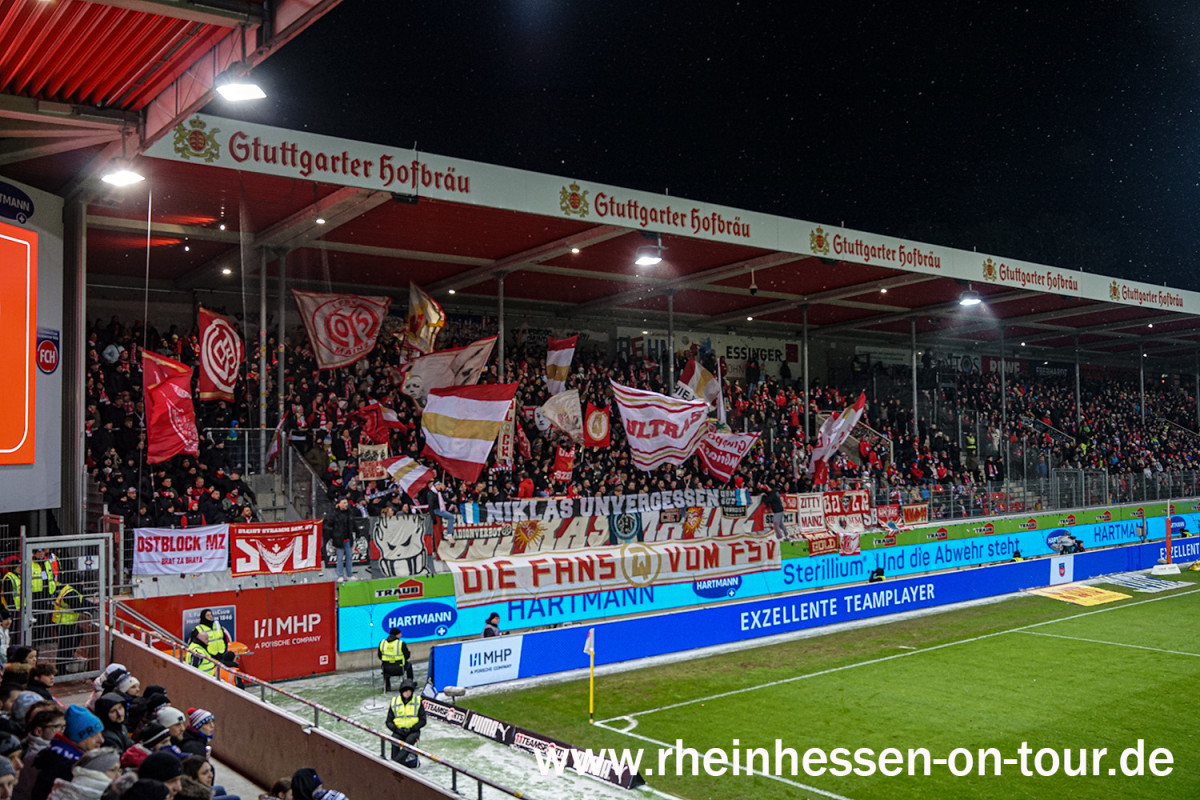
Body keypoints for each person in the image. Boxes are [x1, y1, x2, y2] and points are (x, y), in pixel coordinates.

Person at [30, 705, 104, 800]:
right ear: (77, 738)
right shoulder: (68, 767)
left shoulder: (56, 753)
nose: (101, 740)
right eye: (93, 735)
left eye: (101, 733)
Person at [44, 746, 121, 800]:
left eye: (119, 770)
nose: (119, 775)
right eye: (113, 770)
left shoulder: (63, 791)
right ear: (95, 771)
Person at [384, 679, 424, 768]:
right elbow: (388, 721)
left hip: (413, 731)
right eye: (405, 691)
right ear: (401, 692)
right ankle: (397, 763)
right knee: (394, 741)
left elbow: (423, 720)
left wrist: (413, 728)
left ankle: (395, 764)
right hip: (398, 730)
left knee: (409, 742)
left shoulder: (417, 701)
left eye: (410, 691)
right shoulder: (394, 702)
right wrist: (396, 729)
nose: (407, 693)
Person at [322, 499, 355, 583]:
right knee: (339, 558)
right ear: (339, 504)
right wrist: (334, 533)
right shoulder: (334, 514)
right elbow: (327, 525)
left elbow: (352, 524)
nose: (346, 504)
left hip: (348, 539)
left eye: (346, 503)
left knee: (349, 558)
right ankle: (340, 575)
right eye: (344, 503)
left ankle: (350, 575)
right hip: (339, 539)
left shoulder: (349, 513)